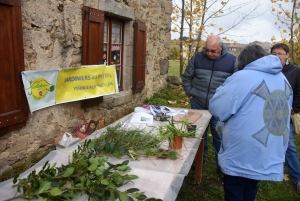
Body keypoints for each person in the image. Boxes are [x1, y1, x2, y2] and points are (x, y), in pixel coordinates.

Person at [209, 44, 292, 200]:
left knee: (235, 189)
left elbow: (218, 108)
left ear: (243, 61)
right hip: (268, 146)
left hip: (243, 148)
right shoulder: (282, 79)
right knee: (251, 186)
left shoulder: (243, 77)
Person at [181, 35, 237, 173]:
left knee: (220, 136)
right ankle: (199, 160)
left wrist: (228, 101)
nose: (209, 54)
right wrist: (190, 92)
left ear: (221, 47)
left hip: (219, 108)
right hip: (198, 103)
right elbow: (187, 77)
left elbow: (237, 84)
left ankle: (222, 165)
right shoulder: (197, 58)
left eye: (213, 51)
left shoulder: (232, 61)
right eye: (207, 50)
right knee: (197, 134)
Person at [271, 43, 300, 193]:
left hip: (285, 115)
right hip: (269, 114)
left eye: (280, 53)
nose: (277, 56)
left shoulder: (295, 71)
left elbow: (299, 93)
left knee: (289, 147)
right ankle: (269, 170)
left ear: (287, 55)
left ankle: (297, 177)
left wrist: (293, 109)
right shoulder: (268, 71)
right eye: (274, 53)